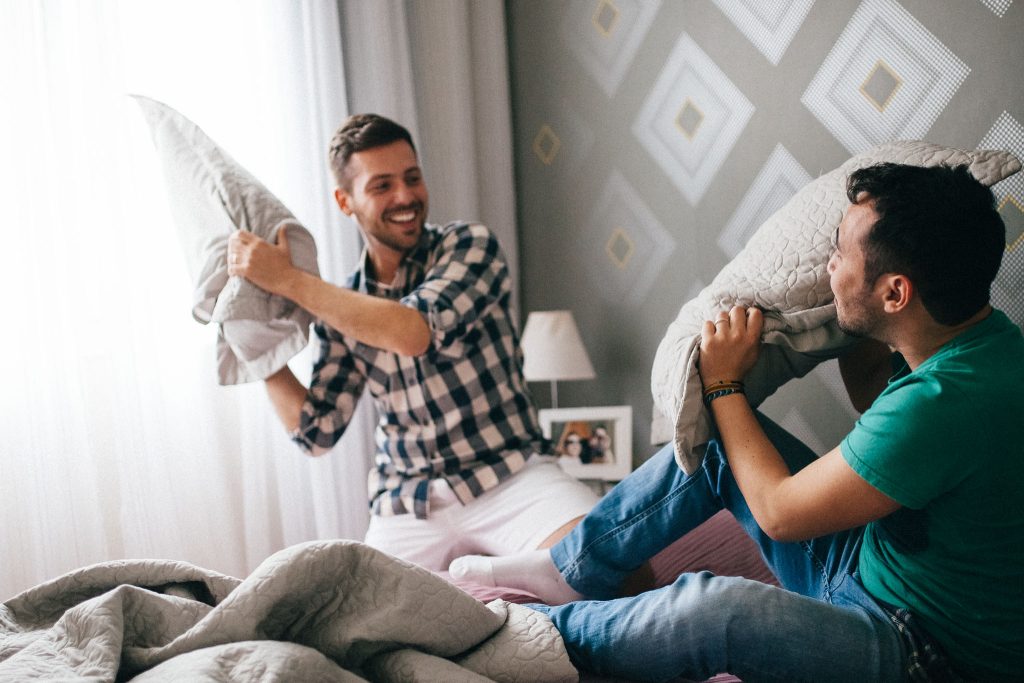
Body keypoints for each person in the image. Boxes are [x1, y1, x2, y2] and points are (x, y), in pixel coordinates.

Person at [450, 163, 1024, 682]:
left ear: (896, 292)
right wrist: (852, 321)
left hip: (920, 649)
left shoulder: (944, 402)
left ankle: (520, 633)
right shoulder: (980, 343)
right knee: (724, 446)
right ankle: (569, 567)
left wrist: (724, 384)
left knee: (716, 609)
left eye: (842, 255)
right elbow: (880, 407)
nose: (828, 264)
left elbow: (778, 513)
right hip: (884, 567)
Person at [226, 113, 599, 571]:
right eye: (382, 186)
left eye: (412, 178)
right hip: (407, 502)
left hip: (511, 475)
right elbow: (316, 432)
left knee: (602, 565)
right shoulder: (341, 305)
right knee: (359, 631)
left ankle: (481, 583)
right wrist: (252, 336)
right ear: (346, 201)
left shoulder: (470, 246)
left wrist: (288, 280)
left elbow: (412, 332)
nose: (405, 196)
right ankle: (487, 584)